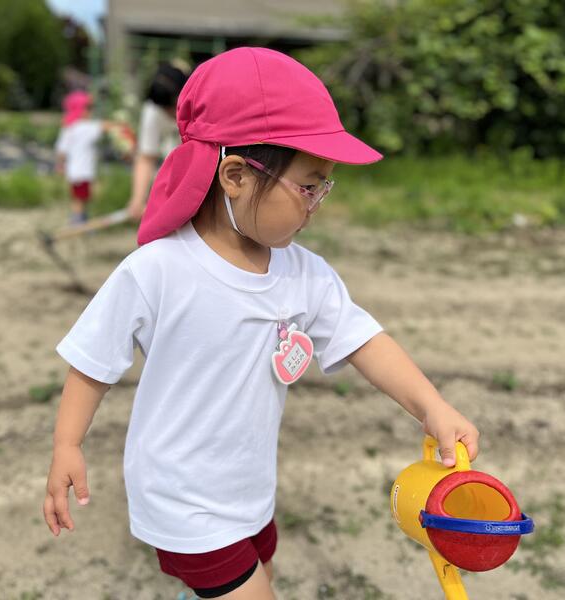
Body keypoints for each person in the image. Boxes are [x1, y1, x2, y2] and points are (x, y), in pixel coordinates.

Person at [43, 48, 480, 599]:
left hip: (249, 491)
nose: (318, 203)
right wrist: (67, 444)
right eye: (308, 185)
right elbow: (93, 360)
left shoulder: (305, 273)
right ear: (235, 176)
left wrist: (431, 406)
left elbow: (364, 340)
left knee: (260, 576)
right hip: (183, 499)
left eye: (325, 186)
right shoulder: (158, 270)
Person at [55, 91, 132, 225]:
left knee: (80, 197)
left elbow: (61, 150)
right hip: (82, 171)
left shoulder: (68, 128)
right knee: (80, 198)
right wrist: (122, 126)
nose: (91, 110)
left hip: (74, 171)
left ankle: (80, 219)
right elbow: (105, 126)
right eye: (88, 107)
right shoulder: (84, 127)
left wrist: (60, 165)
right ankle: (77, 222)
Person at [125, 61, 189, 221]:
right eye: (165, 109)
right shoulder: (153, 110)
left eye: (172, 107)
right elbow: (146, 157)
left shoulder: (200, 104)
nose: (170, 113)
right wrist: (138, 199)